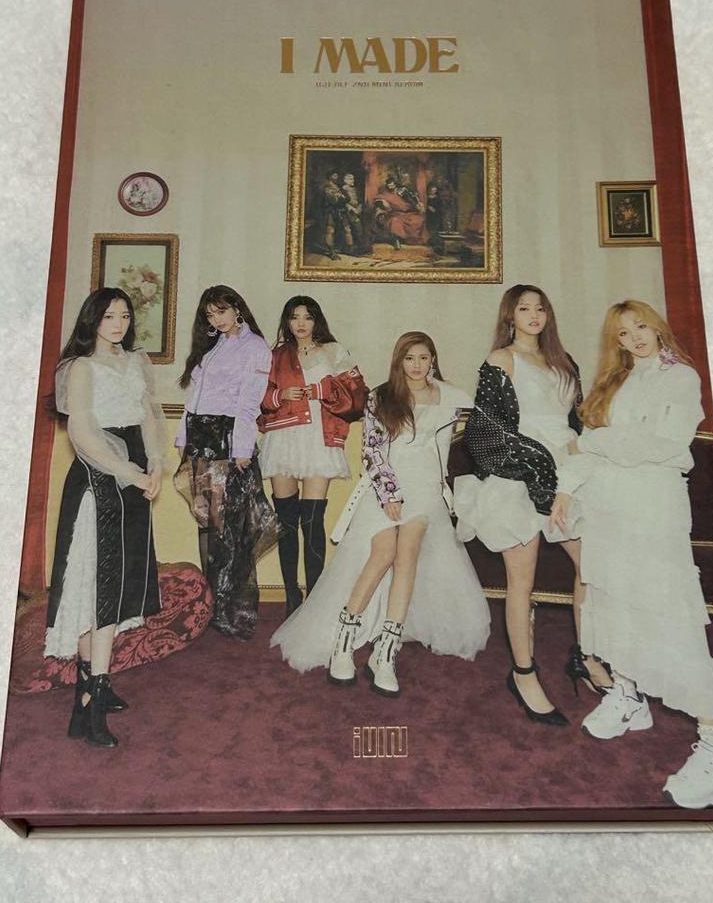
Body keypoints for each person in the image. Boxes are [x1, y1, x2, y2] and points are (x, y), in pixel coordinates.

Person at [550, 300, 713, 809]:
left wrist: (598, 443)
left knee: (670, 616)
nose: (634, 337)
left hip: (654, 510)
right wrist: (566, 488)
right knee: (615, 604)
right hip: (608, 509)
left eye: (641, 326)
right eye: (623, 332)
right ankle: (629, 695)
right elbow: (589, 446)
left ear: (658, 327)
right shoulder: (613, 382)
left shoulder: (680, 378)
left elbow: (663, 444)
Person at [270, 332, 490, 696]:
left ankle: (386, 652)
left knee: (408, 554)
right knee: (383, 551)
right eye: (409, 358)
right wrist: (389, 495)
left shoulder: (449, 397)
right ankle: (344, 640)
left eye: (423, 358)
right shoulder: (381, 397)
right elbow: (372, 452)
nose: (417, 365)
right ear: (399, 361)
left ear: (433, 360)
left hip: (425, 490)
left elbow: (449, 446)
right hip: (384, 487)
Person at [453, 285, 610, 727]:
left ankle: (586, 655)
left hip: (568, 474)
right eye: (524, 308)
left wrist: (584, 461)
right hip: (518, 474)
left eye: (540, 308)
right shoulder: (501, 359)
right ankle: (523, 673)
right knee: (522, 582)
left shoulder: (564, 361)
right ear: (511, 316)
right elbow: (485, 433)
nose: (534, 315)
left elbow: (576, 421)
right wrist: (540, 468)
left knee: (591, 567)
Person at [45, 288, 167, 748]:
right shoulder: (81, 367)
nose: (118, 324)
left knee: (117, 582)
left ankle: (92, 689)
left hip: (133, 471)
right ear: (93, 320)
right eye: (109, 316)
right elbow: (82, 430)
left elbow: (148, 416)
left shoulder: (135, 361)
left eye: (125, 316)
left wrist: (155, 464)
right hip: (99, 476)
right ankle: (90, 700)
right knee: (96, 582)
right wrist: (127, 472)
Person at [174, 285, 280, 639]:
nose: (215, 319)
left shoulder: (255, 347)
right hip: (201, 440)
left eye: (220, 311)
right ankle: (211, 605)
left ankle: (231, 609)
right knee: (207, 523)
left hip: (227, 439)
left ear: (237, 309)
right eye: (209, 314)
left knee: (230, 529)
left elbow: (250, 402)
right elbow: (194, 397)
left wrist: (242, 448)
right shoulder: (213, 345)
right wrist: (183, 439)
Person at [258, 296, 367, 615]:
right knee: (286, 521)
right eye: (294, 317)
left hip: (319, 438)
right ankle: (292, 598)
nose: (301, 323)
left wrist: (322, 390)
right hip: (283, 437)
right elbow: (257, 395)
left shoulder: (334, 351)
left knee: (312, 519)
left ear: (317, 320)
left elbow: (358, 396)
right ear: (287, 322)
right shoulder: (276, 355)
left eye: (307, 316)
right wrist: (279, 395)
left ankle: (315, 600)